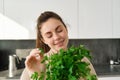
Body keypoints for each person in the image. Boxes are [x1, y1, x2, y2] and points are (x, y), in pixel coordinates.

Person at [20, 11, 97, 80]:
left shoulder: (82, 61)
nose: (56, 37)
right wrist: (39, 76)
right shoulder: (34, 66)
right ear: (43, 40)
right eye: (49, 35)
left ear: (66, 29)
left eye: (59, 30)